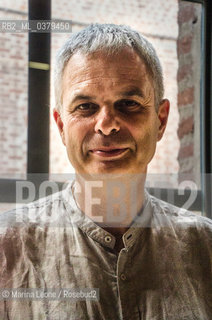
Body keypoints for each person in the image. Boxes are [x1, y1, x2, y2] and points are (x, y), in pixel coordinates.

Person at [0, 23, 212, 320]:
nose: (106, 124)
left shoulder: (205, 247)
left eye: (129, 104)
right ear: (61, 126)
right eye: (85, 106)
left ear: (161, 120)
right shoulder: (8, 249)